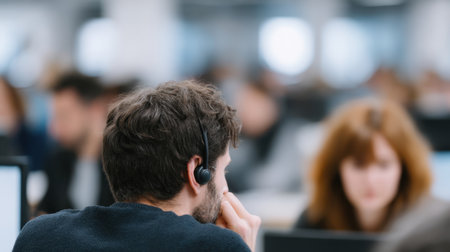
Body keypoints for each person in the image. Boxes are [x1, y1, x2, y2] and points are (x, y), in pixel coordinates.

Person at [14, 80, 261, 251]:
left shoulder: (38, 236)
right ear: (197, 171)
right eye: (223, 171)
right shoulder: (215, 246)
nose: (225, 188)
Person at [294, 98, 432, 232]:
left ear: (405, 167)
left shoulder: (430, 225)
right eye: (358, 165)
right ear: (336, 168)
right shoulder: (314, 220)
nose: (370, 180)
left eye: (383, 165)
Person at [37, 73, 114, 214]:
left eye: (64, 116)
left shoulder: (122, 162)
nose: (54, 128)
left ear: (95, 110)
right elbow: (44, 213)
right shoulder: (57, 160)